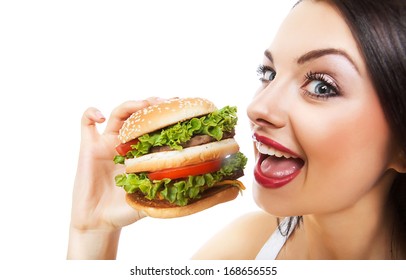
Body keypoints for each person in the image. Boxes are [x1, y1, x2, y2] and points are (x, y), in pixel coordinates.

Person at [67, 0, 406, 259]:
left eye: (321, 86)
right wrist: (92, 231)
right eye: (269, 74)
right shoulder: (241, 250)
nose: (257, 108)